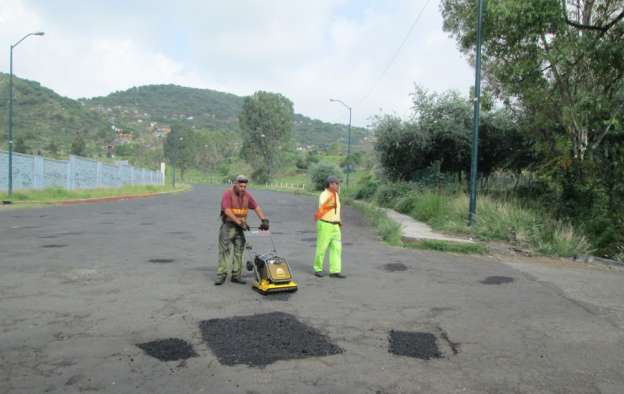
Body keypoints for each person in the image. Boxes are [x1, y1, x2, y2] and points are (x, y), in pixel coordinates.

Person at [215, 175, 269, 285]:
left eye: (245, 186)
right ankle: (221, 275)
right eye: (241, 186)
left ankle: (236, 275)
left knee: (239, 251)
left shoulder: (247, 196)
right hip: (228, 226)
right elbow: (227, 211)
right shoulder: (228, 194)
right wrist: (240, 222)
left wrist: (264, 220)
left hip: (241, 228)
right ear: (235, 183)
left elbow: (256, 207)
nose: (243, 188)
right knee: (224, 251)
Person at [313, 175, 346, 279]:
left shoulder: (335, 195)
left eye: (338, 184)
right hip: (325, 224)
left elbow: (336, 210)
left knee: (336, 248)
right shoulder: (324, 194)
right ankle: (318, 269)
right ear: (330, 184)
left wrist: (339, 221)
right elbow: (325, 207)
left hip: (335, 225)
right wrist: (333, 196)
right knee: (322, 247)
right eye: (336, 184)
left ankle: (335, 271)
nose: (338, 186)